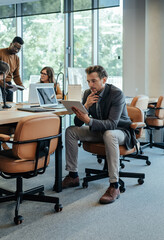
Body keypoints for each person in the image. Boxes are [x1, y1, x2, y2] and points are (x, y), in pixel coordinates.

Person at [62, 65, 136, 204]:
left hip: (121, 132)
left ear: (104, 79)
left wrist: (89, 120)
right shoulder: (87, 94)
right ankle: (73, 175)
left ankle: (114, 185)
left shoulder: (116, 94)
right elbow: (78, 123)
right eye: (88, 81)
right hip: (99, 131)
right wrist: (86, 106)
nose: (91, 85)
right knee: (71, 131)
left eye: (94, 81)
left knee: (109, 134)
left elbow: (112, 124)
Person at [0, 36, 24, 102]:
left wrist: (20, 85)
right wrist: (2, 83)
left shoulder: (17, 59)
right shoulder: (1, 52)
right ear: (11, 44)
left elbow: (16, 75)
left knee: (9, 104)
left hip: (9, 84)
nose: (16, 50)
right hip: (0, 82)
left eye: (19, 49)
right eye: (15, 47)